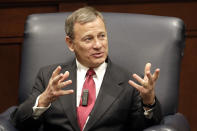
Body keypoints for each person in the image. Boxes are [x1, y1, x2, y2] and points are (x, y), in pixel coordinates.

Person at [11, 6, 162, 131]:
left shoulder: (130, 83)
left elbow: (145, 127)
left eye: (101, 36)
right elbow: (20, 122)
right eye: (88, 39)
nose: (98, 45)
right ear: (70, 43)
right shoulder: (50, 76)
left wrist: (149, 102)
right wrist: (44, 99)